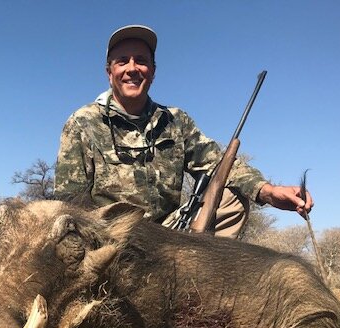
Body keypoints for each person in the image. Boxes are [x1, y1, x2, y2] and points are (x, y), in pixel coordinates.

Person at [54, 25, 313, 238]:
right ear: (110, 73)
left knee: (232, 196)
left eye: (141, 61)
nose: (132, 68)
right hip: (110, 238)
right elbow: (69, 202)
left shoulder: (175, 120)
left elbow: (220, 164)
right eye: (123, 61)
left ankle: (201, 283)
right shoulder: (82, 122)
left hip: (168, 235)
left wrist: (268, 192)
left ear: (152, 72)